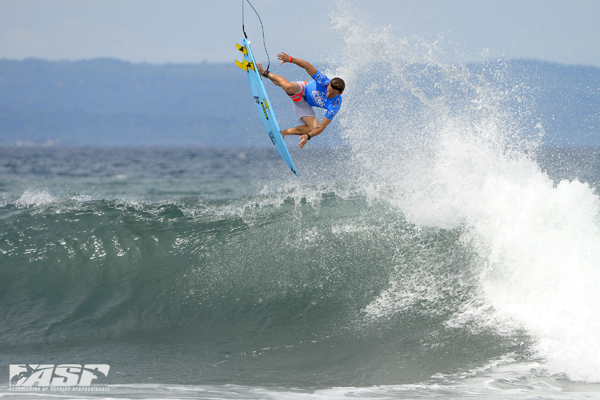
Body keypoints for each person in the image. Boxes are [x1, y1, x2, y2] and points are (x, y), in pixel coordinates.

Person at [257, 52, 344, 149]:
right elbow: (307, 66)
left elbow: (322, 126)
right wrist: (290, 59)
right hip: (303, 89)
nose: (328, 94)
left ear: (340, 93)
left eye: (332, 94)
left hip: (303, 104)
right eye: (328, 90)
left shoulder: (335, 106)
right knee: (288, 87)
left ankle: (283, 132)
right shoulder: (324, 81)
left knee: (312, 128)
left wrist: (308, 136)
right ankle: (263, 72)